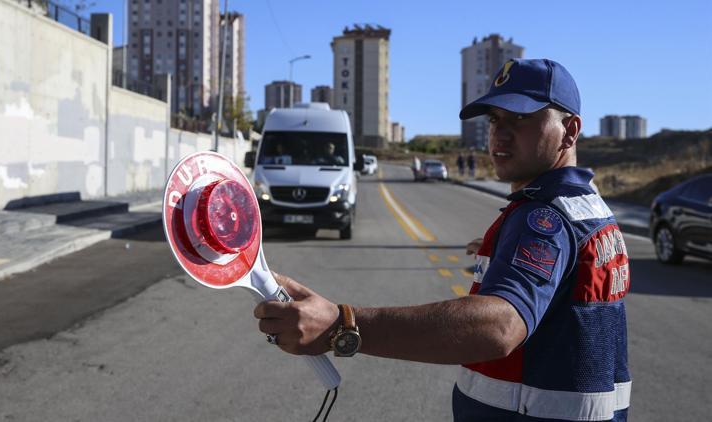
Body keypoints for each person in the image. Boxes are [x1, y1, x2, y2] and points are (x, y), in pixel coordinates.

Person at [254, 59, 631, 421]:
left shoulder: (543, 218)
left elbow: (499, 327)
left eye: (521, 118)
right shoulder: (588, 208)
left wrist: (342, 325)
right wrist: (503, 251)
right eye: (496, 119)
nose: (499, 132)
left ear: (570, 130)